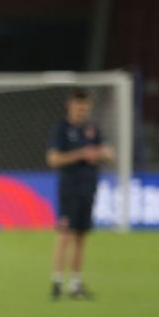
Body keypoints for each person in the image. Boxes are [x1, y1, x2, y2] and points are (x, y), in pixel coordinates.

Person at [47, 88, 114, 300]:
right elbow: (53, 159)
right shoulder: (61, 129)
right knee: (65, 234)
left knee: (81, 236)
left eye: (85, 107)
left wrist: (103, 153)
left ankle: (75, 284)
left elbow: (109, 154)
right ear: (70, 105)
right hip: (69, 188)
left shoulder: (92, 130)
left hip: (89, 188)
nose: (82, 110)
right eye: (78, 106)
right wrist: (80, 154)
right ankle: (57, 282)